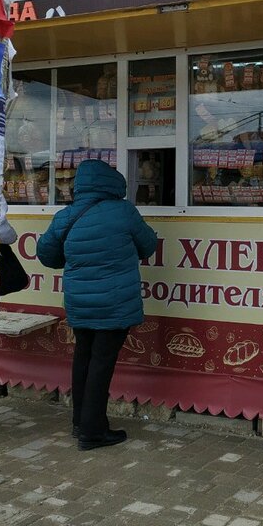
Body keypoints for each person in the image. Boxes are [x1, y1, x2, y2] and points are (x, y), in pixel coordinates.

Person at [36, 160, 158, 451]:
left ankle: (81, 422)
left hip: (80, 302)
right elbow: (148, 245)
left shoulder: (67, 215)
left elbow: (47, 256)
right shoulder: (124, 211)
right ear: (112, 183)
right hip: (115, 304)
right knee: (101, 364)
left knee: (84, 359)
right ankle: (93, 432)